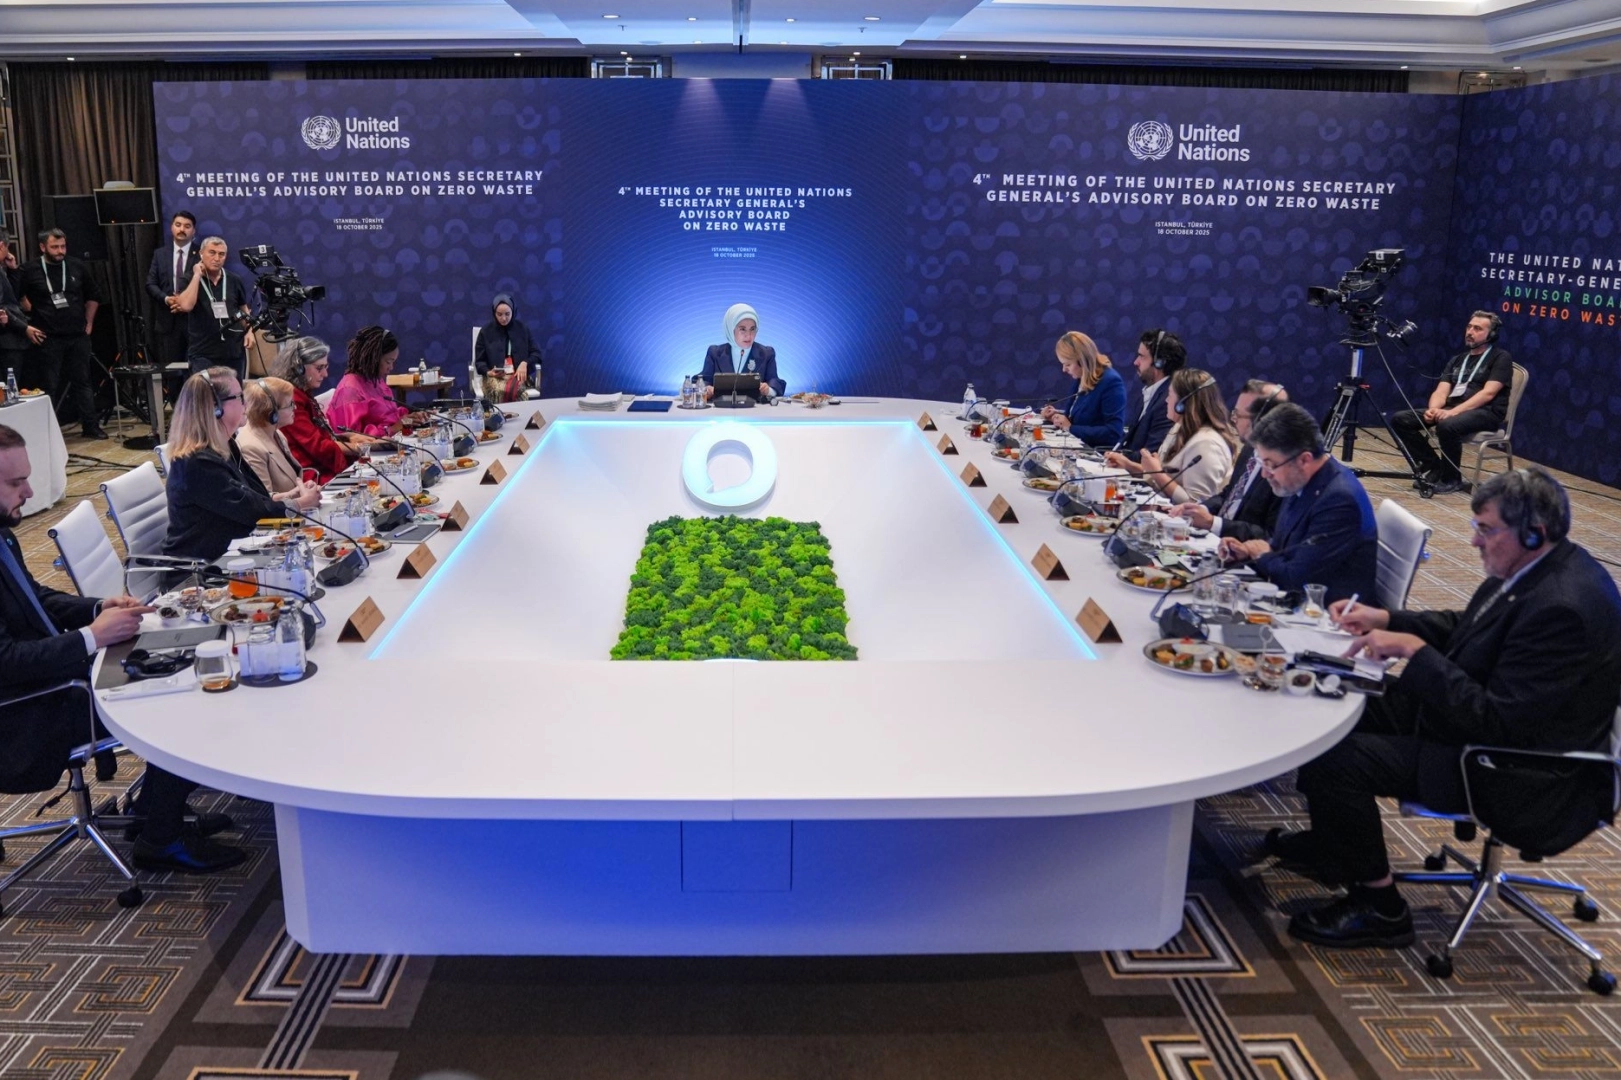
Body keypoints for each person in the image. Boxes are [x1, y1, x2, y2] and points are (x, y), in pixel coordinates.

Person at [1270, 467, 1621, 949]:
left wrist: (1415, 653)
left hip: (1513, 768)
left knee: (1337, 757)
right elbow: (1469, 624)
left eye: (1485, 529)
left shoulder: (1563, 608)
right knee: (1333, 698)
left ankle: (1380, 906)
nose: (1473, 540)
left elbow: (1496, 721)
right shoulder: (1538, 567)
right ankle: (1334, 847)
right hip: (1475, 724)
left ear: (1533, 532)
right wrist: (1387, 618)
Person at [0, 423, 245, 872]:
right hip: (25, 711)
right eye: (16, 483)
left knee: (184, 660)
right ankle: (160, 840)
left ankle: (154, 811)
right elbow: (6, 662)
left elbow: (35, 597)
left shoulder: (3, 532)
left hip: (56, 675)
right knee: (177, 696)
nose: (30, 492)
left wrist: (99, 606)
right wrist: (93, 636)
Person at [160, 368, 320, 569]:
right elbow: (251, 512)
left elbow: (253, 496)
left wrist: (288, 496)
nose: (246, 403)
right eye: (239, 397)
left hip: (230, 555)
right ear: (216, 407)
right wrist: (299, 504)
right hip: (200, 571)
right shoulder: (197, 462)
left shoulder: (225, 445)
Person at [1217, 402, 1377, 602]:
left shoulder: (1339, 501)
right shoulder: (1300, 480)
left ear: (1304, 460)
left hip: (1327, 610)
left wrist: (1262, 556)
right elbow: (1284, 548)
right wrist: (1247, 552)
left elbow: (1298, 579)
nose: (1265, 474)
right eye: (1262, 464)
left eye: (1270, 465)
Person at [1391, 312, 1515, 495]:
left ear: (1492, 334)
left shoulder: (1501, 357)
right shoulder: (1458, 360)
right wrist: (1434, 409)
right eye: (1469, 327)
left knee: (1447, 425)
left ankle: (1451, 479)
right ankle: (1434, 466)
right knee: (1400, 419)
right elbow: (1441, 391)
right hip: (1452, 410)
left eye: (1477, 329)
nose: (1470, 332)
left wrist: (1452, 412)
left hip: (1486, 412)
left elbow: (1488, 394)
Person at [1170, 380, 1287, 541]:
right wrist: (1199, 509)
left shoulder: (1283, 469)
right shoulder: (1250, 449)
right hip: (1213, 541)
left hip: (1239, 551)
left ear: (1260, 421)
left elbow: (1270, 536)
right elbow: (1229, 494)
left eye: (1238, 415)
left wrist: (1213, 523)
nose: (1233, 420)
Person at [16, 228, 104, 439]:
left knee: (83, 382)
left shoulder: (76, 266)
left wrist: (89, 322)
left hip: (77, 335)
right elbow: (16, 297)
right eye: (55, 247)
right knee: (49, 386)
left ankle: (91, 426)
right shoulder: (30, 270)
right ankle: (48, 432)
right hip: (48, 337)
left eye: (63, 246)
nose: (60, 251)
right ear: (42, 247)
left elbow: (94, 295)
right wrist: (28, 316)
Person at [1105, 368, 1234, 504]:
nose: (1166, 400)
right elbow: (1163, 477)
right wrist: (1128, 465)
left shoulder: (1207, 444)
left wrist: (1157, 472)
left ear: (1182, 404)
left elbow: (1196, 504)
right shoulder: (1178, 428)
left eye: (1170, 395)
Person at [269, 336, 377, 482]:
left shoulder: (302, 393)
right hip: (313, 476)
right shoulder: (291, 400)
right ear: (299, 368)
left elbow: (318, 435)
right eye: (319, 368)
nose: (325, 374)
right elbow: (318, 446)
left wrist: (346, 437)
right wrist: (361, 448)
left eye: (325, 367)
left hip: (320, 466)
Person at [172, 236, 253, 378]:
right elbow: (186, 306)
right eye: (212, 253)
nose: (217, 258)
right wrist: (197, 275)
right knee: (205, 391)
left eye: (221, 254)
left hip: (233, 352)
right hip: (203, 353)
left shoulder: (234, 279)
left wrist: (249, 332)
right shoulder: (189, 279)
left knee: (233, 391)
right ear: (201, 254)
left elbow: (243, 310)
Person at [328, 326, 421, 437]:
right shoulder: (350, 390)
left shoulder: (376, 380)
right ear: (373, 358)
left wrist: (408, 418)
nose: (391, 367)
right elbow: (352, 438)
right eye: (388, 362)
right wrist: (393, 429)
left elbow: (389, 415)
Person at [1039, 331, 1125, 447]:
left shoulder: (1111, 381)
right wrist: (1056, 417)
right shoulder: (1081, 377)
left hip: (1095, 453)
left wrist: (1070, 428)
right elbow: (1080, 419)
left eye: (1068, 365)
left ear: (1082, 361)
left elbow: (1113, 433)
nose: (1064, 370)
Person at [1118, 328, 1184, 461]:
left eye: (1141, 356)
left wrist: (1120, 458)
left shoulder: (1168, 401)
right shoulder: (1147, 394)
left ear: (1159, 362)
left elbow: (1150, 454)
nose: (1135, 362)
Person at [144, 210, 199, 368]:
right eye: (178, 225)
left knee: (196, 369)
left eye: (187, 226)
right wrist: (167, 299)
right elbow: (150, 284)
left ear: (193, 231)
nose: (182, 229)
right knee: (172, 369)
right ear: (171, 227)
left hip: (194, 320)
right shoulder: (160, 254)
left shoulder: (201, 254)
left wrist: (185, 302)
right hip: (168, 320)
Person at [237, 377, 308, 496]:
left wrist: (304, 488)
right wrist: (297, 494)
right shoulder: (250, 447)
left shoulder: (277, 433)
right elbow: (264, 499)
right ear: (271, 412)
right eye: (290, 404)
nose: (295, 408)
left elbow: (293, 480)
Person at [700, 303, 784, 401]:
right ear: (731, 329)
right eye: (742, 329)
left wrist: (769, 390)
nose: (748, 335)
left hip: (755, 408)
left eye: (752, 329)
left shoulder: (766, 353)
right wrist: (706, 389)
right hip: (721, 408)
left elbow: (774, 381)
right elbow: (703, 381)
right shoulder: (715, 353)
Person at [473, 293, 542, 402]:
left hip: (517, 376)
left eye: (507, 314)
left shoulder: (523, 329)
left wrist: (525, 363)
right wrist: (488, 372)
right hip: (494, 378)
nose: (504, 318)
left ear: (513, 312)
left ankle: (515, 413)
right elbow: (479, 362)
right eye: (499, 314)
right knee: (500, 390)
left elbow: (536, 354)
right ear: (494, 313)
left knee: (516, 389)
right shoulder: (485, 331)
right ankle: (501, 413)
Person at [0, 230, 30, 377]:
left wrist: (13, 270)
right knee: (8, 385)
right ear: (1, 246)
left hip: (11, 335)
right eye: (7, 248)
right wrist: (24, 327)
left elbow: (14, 297)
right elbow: (2, 306)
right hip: (6, 338)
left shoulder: (2, 269)